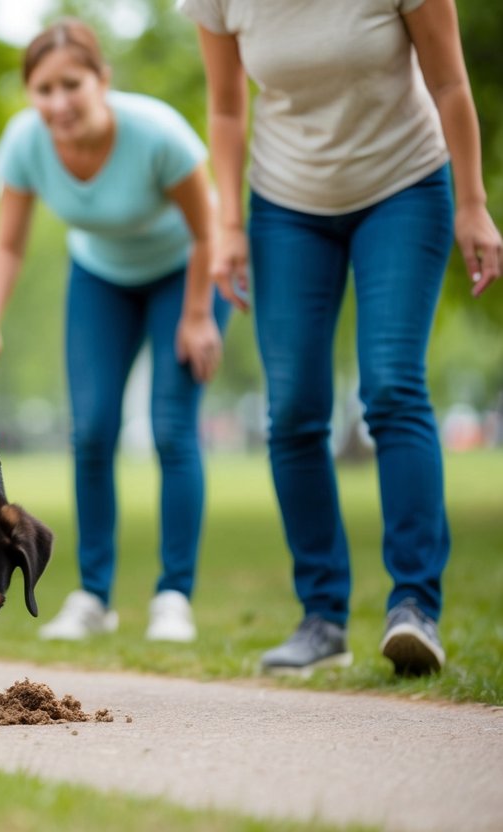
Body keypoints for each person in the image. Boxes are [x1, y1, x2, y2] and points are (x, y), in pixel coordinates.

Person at [179, 0, 502, 675]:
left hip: (403, 185)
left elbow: (447, 83)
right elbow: (227, 108)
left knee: (390, 385)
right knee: (293, 408)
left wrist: (472, 204)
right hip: (285, 201)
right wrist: (230, 225)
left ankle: (414, 605)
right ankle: (321, 616)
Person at [0, 19, 230, 644]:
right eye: (43, 89)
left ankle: (174, 596)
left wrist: (198, 316)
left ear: (102, 81)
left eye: (72, 85)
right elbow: (9, 242)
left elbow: (208, 230)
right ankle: (94, 596)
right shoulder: (27, 143)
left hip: (187, 273)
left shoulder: (156, 135)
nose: (58, 103)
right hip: (101, 278)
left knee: (172, 428)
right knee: (91, 432)